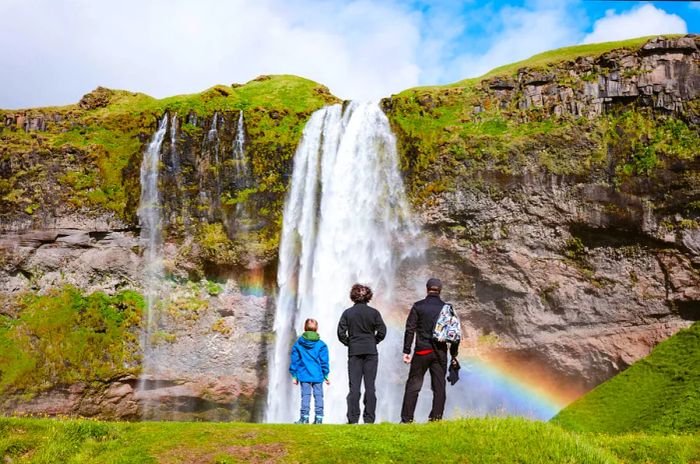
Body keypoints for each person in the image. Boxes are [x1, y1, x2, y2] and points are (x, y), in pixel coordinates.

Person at [400, 278, 459, 423]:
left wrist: (406, 350)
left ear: (427, 289)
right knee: (439, 387)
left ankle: (407, 419)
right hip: (440, 352)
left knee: (414, 385)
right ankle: (436, 418)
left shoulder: (418, 306)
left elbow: (410, 329)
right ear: (440, 290)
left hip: (422, 351)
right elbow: (455, 333)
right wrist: (454, 354)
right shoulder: (447, 308)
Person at [337, 284, 387, 424]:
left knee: (354, 387)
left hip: (354, 352)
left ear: (353, 296)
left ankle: (353, 419)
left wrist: (350, 343)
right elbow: (382, 331)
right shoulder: (374, 313)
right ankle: (369, 418)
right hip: (371, 351)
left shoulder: (347, 313)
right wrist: (373, 341)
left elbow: (340, 333)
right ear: (369, 296)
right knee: (370, 386)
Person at [289, 318, 330, 424]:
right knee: (319, 396)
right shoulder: (321, 345)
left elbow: (295, 360)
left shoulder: (298, 344)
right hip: (317, 375)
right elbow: (324, 361)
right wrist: (325, 375)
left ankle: (304, 417)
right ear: (317, 329)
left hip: (304, 374)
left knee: (305, 396)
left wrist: (294, 375)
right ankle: (319, 418)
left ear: (304, 328)